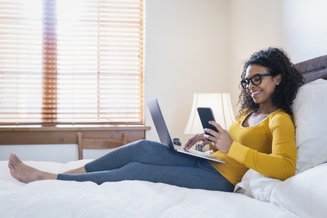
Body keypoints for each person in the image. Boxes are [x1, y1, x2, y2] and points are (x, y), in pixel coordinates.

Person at [8, 47, 304, 192]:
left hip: (222, 179)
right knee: (144, 148)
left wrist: (231, 147)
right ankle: (74, 172)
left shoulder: (279, 121)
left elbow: (285, 168)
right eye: (246, 81)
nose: (251, 86)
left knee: (138, 169)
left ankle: (53, 178)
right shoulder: (247, 114)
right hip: (210, 162)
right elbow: (229, 146)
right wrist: (211, 141)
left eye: (257, 79)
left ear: (277, 79)